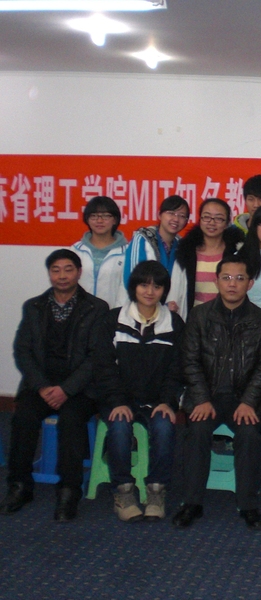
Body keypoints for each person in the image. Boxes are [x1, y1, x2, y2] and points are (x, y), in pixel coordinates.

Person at [0, 250, 109, 521]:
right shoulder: (34, 306)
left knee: (71, 421)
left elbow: (97, 357)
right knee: (23, 417)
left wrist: (66, 389)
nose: (62, 275)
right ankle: (19, 485)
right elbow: (22, 351)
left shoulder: (97, 308)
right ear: (50, 273)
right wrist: (42, 386)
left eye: (68, 269)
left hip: (80, 389)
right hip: (41, 386)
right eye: (56, 270)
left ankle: (69, 491)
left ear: (79, 273)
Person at [173, 255, 261, 530]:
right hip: (205, 395)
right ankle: (192, 502)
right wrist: (202, 398)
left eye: (240, 278)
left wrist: (249, 401)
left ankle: (248, 504)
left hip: (244, 399)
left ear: (250, 284)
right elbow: (189, 361)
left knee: (251, 434)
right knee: (195, 431)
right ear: (216, 281)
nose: (233, 284)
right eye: (227, 278)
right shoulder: (199, 316)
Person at [94, 261, 185, 522]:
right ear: (133, 287)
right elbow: (103, 366)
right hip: (119, 398)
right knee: (120, 427)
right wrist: (116, 401)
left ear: (164, 291)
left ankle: (157, 490)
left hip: (157, 400)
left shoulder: (174, 323)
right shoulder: (113, 319)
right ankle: (123, 491)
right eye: (144, 284)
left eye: (157, 286)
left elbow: (176, 370)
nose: (149, 291)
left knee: (165, 426)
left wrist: (168, 401)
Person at [171, 197, 245, 320]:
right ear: (200, 220)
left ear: (227, 223)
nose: (212, 222)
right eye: (207, 217)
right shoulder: (186, 253)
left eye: (219, 218)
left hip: (228, 322)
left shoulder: (237, 253)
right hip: (195, 323)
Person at [123, 194, 190, 314]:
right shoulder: (142, 239)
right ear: (159, 215)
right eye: (171, 213)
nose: (176, 219)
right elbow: (132, 279)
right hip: (139, 313)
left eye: (182, 216)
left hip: (170, 315)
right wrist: (161, 306)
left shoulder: (182, 246)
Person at [71, 195, 129, 309]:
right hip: (80, 318)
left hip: (112, 316)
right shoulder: (76, 250)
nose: (99, 221)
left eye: (106, 216)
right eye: (94, 216)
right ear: (87, 219)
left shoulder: (127, 252)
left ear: (115, 220)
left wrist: (117, 317)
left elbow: (126, 289)